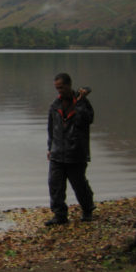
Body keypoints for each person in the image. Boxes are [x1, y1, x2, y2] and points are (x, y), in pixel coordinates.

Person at [45, 72, 95, 226]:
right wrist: (49, 147)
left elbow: (87, 120)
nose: (59, 91)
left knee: (79, 185)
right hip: (57, 153)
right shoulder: (55, 105)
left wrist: (80, 103)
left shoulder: (82, 103)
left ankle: (87, 210)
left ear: (69, 85)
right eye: (57, 88)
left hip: (76, 153)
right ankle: (59, 215)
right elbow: (51, 128)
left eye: (61, 87)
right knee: (55, 185)